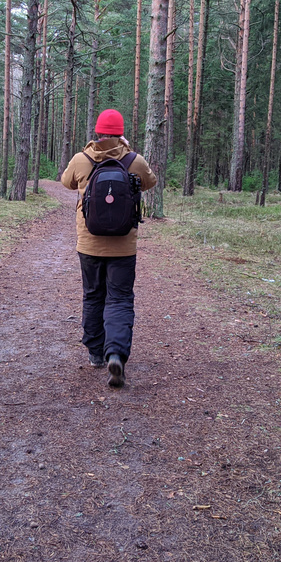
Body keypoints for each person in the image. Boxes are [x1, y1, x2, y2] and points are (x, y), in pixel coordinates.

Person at [60, 108, 157, 388]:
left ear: (97, 132)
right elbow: (150, 182)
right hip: (124, 246)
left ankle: (95, 353)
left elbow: (66, 182)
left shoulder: (81, 158)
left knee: (93, 295)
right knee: (120, 298)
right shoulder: (134, 160)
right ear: (121, 133)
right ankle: (115, 353)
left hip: (88, 243)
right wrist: (128, 153)